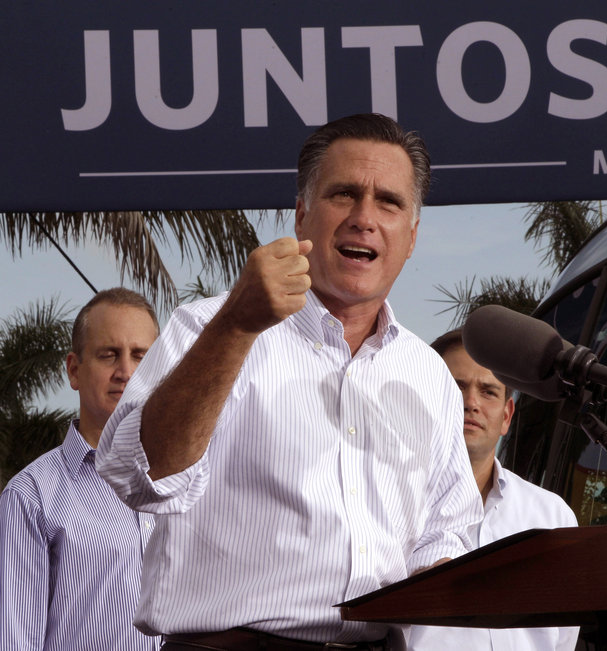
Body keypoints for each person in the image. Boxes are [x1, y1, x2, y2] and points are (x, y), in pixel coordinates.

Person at [96, 113, 483, 651]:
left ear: (412, 236)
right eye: (344, 194)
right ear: (302, 215)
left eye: (389, 202)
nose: (364, 218)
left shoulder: (429, 374)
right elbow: (139, 475)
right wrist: (236, 326)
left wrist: (438, 571)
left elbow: (450, 531)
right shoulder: (209, 327)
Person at [0, 287, 161, 650]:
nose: (126, 371)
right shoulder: (32, 496)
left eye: (140, 356)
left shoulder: (187, 480)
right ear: (74, 370)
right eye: (109, 355)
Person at [407, 328, 579, 651]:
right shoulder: (393, 504)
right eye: (456, 387)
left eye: (488, 392)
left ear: (507, 416)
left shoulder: (553, 518)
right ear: (427, 399)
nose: (471, 402)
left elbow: (565, 636)